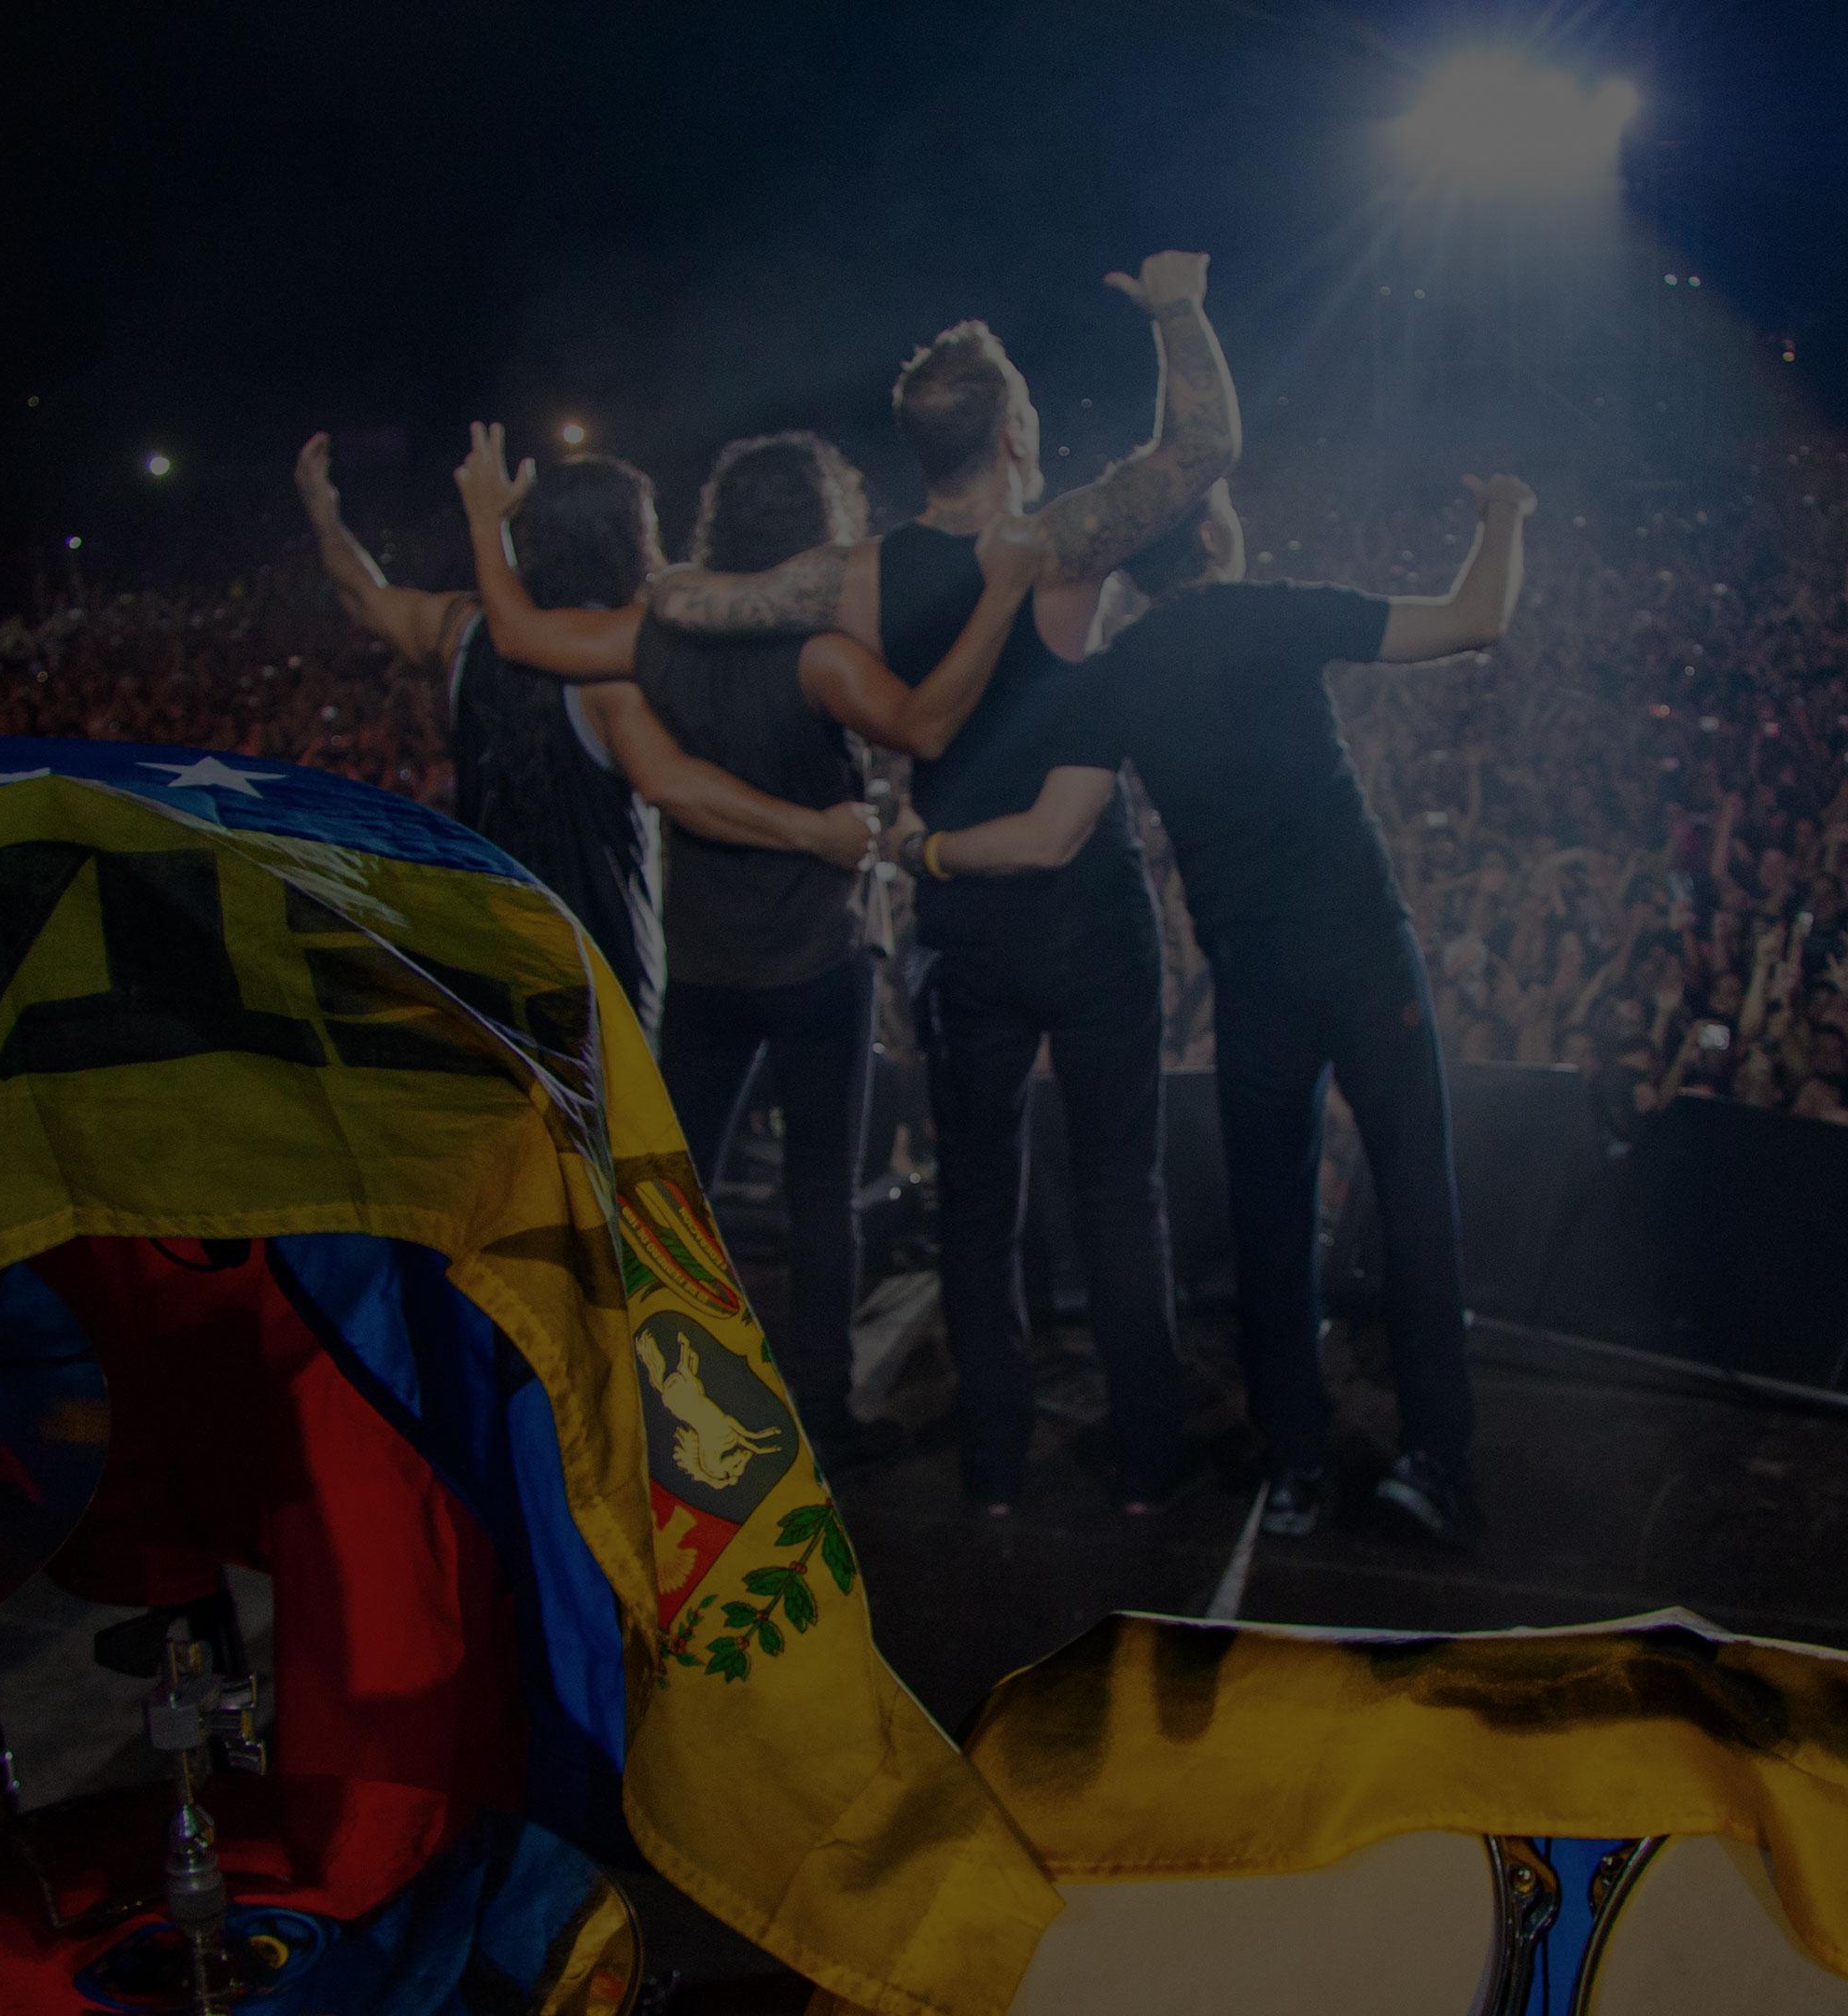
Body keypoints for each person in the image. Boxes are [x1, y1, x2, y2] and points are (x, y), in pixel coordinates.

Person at [639, 251, 1240, 1515]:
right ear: (1018, 430)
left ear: (919, 447)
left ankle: (992, 1463)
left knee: (975, 1196)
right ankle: (1145, 1454)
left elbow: (715, 602)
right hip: (1084, 905)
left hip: (960, 916)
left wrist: (630, 586)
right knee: (1118, 1187)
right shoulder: (1062, 545)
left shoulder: (852, 575)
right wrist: (1178, 313)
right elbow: (1203, 448)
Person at [893, 471, 1537, 1550]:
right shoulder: (1274, 608)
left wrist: (927, 849)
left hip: (1255, 981)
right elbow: (1478, 618)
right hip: (1366, 959)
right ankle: (1434, 1463)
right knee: (1417, 1196)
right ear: (1219, 532)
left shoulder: (1122, 671)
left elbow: (1050, 838)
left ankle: (1292, 1468)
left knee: (1272, 1226)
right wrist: (1505, 521)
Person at [455, 424, 1040, 1469]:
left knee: (671, 1191)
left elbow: (516, 637)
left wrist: (485, 526)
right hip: (818, 959)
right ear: (823, 533)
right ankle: (823, 1409)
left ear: (719, 524)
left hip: (706, 964)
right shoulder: (824, 655)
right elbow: (931, 726)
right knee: (823, 1199)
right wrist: (998, 598)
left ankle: (654, 1394)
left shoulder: (657, 637)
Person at [296, 432, 680, 1028]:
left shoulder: (460, 631)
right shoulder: (618, 666)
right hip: (601, 969)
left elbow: (363, 595)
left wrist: (324, 514)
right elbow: (672, 786)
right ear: (630, 543)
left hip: (488, 952)